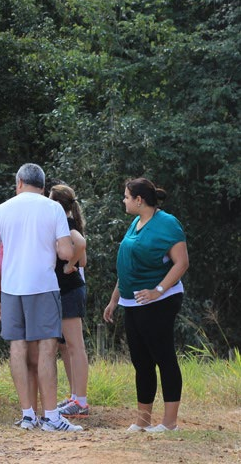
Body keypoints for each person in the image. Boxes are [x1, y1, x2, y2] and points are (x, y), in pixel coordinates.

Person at [0, 163, 81, 432]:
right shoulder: (53, 208)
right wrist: (73, 251)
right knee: (47, 349)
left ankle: (27, 415)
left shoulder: (3, 209)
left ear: (19, 183)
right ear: (43, 185)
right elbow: (63, 252)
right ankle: (51, 416)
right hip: (43, 286)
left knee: (18, 347)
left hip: (12, 288)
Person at [104, 178, 189, 432]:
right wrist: (114, 298)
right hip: (133, 302)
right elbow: (128, 264)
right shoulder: (136, 222)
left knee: (164, 357)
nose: (124, 200)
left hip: (160, 301)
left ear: (139, 200)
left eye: (126, 196)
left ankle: (170, 423)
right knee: (141, 362)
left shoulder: (167, 224)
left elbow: (181, 263)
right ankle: (143, 420)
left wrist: (157, 290)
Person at [48, 184, 90, 418]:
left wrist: (68, 266)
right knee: (70, 347)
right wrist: (73, 262)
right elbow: (82, 259)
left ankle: (81, 402)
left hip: (69, 291)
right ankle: (75, 397)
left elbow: (81, 245)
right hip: (69, 290)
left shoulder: (67, 226)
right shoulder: (66, 223)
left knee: (75, 346)